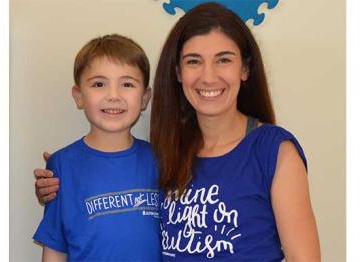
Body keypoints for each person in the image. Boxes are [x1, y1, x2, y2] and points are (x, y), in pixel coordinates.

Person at [35, 2, 320, 261]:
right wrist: (61, 179)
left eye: (223, 59)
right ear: (177, 72)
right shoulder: (166, 153)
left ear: (245, 69)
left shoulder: (274, 150)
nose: (208, 76)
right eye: (194, 61)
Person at [33, 34, 162, 261]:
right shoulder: (61, 165)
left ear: (144, 98)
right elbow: (55, 247)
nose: (113, 96)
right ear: (79, 96)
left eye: (127, 84)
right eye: (99, 84)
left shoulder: (161, 160)